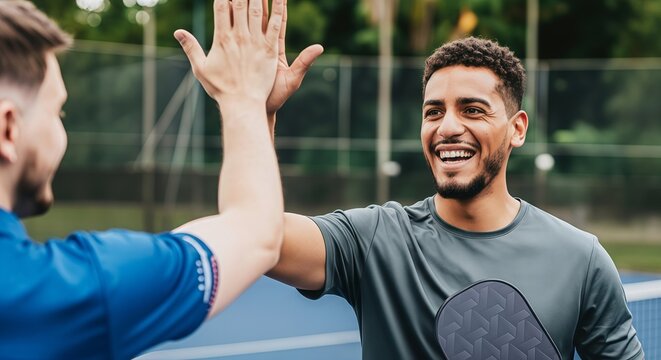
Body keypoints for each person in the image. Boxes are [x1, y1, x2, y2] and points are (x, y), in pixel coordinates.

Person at [263, 36, 644, 359]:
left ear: (517, 128)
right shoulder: (375, 238)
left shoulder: (582, 259)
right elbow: (261, 238)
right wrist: (253, 111)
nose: (447, 127)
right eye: (434, 112)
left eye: (472, 110)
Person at [0, 0, 294, 358]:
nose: (62, 130)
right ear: (8, 129)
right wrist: (244, 98)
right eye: (57, 110)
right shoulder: (73, 289)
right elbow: (255, 233)